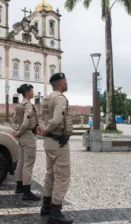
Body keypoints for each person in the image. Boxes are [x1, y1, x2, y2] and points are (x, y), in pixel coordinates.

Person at [38, 73, 73, 224]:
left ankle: (45, 206)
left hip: (48, 142)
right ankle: (56, 212)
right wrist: (48, 128)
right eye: (65, 80)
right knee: (62, 176)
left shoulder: (46, 98)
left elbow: (40, 117)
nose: (66, 83)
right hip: (59, 142)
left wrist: (43, 129)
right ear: (59, 82)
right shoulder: (60, 98)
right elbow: (58, 118)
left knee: (50, 174)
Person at [11, 84, 40, 201]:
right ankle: (27, 192)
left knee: (21, 163)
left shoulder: (19, 105)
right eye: (32, 91)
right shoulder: (28, 105)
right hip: (28, 135)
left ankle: (19, 187)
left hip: (21, 138)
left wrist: (16, 131)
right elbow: (26, 121)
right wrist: (20, 131)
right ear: (27, 92)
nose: (33, 93)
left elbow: (13, 121)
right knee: (28, 164)